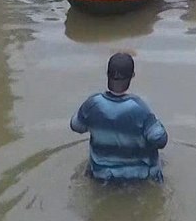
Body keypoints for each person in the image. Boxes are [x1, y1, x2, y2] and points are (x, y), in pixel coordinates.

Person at [70, 52, 169, 182]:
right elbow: (160, 140)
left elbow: (76, 126)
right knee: (165, 162)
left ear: (107, 74)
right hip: (139, 178)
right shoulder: (139, 108)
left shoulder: (92, 104)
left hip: (102, 175)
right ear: (132, 76)